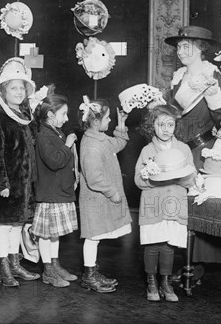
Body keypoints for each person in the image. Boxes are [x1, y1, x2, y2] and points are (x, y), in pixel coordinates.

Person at [164, 26, 221, 270]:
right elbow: (172, 112)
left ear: (201, 48)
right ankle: (182, 260)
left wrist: (213, 95)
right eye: (178, 46)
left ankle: (198, 265)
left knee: (200, 205)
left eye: (185, 46)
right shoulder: (178, 77)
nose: (180, 50)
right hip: (179, 149)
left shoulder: (213, 75)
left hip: (202, 151)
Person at [0, 58, 40, 287]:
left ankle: (15, 263)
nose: (18, 92)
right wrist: (2, 184)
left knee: (17, 225)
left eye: (21, 88)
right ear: (2, 92)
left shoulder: (26, 119)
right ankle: (4, 267)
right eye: (13, 88)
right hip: (8, 186)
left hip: (24, 186)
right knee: (5, 226)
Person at [135, 105, 196, 302]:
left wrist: (178, 177)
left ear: (175, 126)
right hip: (153, 205)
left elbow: (190, 178)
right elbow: (138, 180)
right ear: (152, 126)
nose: (165, 129)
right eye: (161, 124)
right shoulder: (147, 151)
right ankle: (151, 282)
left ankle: (166, 282)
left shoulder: (183, 149)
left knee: (169, 246)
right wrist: (150, 177)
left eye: (170, 124)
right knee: (153, 245)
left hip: (174, 205)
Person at [78, 97, 131, 294]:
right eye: (108, 118)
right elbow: (94, 178)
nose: (110, 121)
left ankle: (92, 272)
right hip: (95, 200)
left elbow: (119, 143)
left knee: (95, 237)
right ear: (95, 122)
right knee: (93, 237)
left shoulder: (99, 138)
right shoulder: (92, 144)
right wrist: (112, 192)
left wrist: (122, 123)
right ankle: (89, 276)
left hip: (100, 200)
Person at [33, 89, 79, 288]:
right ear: (50, 115)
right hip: (50, 194)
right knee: (46, 234)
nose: (66, 118)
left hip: (59, 192)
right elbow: (54, 161)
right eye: (63, 114)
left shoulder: (55, 132)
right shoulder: (44, 135)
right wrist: (68, 145)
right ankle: (48, 271)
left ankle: (55, 264)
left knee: (55, 234)